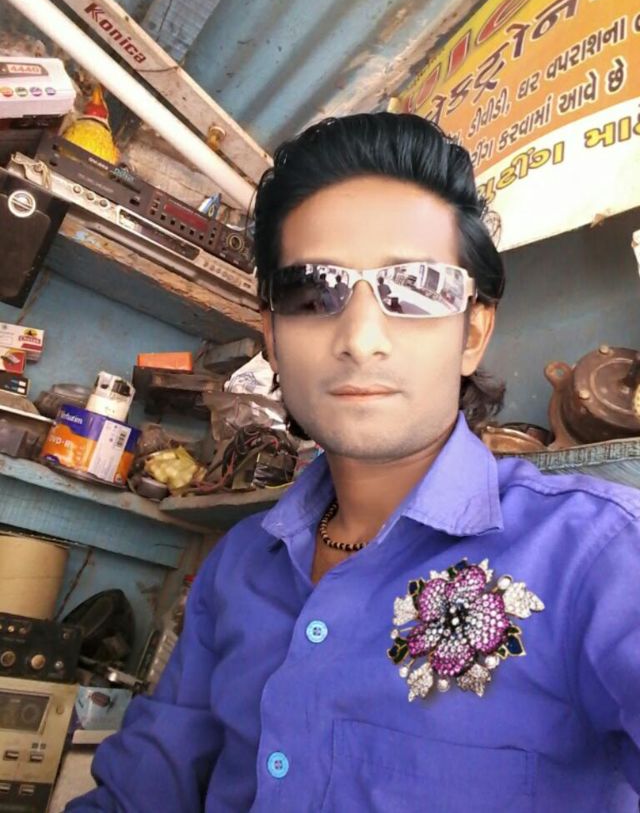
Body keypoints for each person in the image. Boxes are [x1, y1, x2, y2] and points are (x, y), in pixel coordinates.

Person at [67, 114, 640, 812]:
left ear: (474, 331)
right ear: (272, 336)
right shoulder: (239, 565)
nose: (361, 338)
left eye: (418, 286)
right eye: (313, 293)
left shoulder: (600, 556)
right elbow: (142, 793)